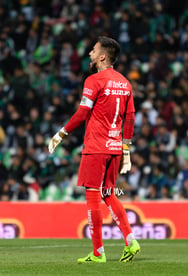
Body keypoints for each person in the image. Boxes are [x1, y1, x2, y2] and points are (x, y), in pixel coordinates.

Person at [48, 36, 140, 263]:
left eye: (93, 50)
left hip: (96, 146)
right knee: (108, 192)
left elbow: (82, 113)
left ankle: (98, 252)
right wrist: (125, 148)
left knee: (92, 195)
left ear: (102, 57)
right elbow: (130, 118)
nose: (89, 53)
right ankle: (130, 240)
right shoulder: (125, 83)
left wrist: (61, 134)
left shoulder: (94, 80)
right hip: (115, 147)